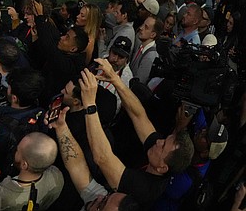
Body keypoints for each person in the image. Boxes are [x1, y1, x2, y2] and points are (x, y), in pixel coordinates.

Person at [81, 62, 194, 208]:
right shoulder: (158, 155)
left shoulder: (144, 189)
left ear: (162, 167)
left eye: (163, 146)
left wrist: (90, 104)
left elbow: (102, 157)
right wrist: (115, 79)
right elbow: (139, 116)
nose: (159, 141)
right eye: (165, 139)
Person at [49, 105, 135, 211]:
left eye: (101, 205)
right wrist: (61, 128)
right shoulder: (99, 197)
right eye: (107, 196)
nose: (99, 197)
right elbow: (78, 167)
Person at [0, 132, 64, 211]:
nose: (14, 151)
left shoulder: (1, 195)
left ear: (24, 165)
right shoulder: (57, 176)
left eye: (17, 150)